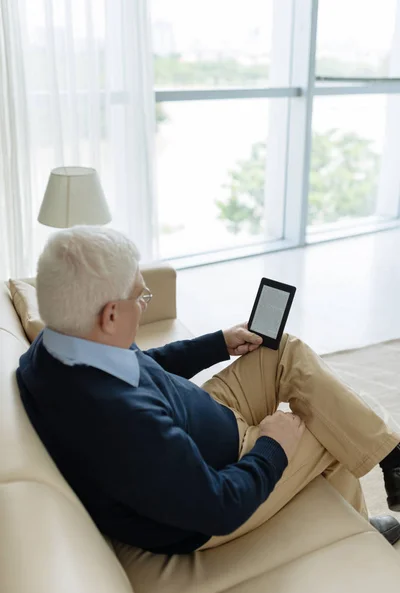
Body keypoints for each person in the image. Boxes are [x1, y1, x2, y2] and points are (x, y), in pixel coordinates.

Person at [16, 226, 400, 555]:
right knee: (328, 425)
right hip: (219, 488)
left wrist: (217, 344)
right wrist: (272, 446)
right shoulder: (118, 421)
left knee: (285, 351)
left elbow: (141, 364)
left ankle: (393, 458)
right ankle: (361, 534)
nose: (145, 305)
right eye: (140, 297)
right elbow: (219, 506)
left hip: (203, 416)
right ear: (111, 315)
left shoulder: (57, 344)